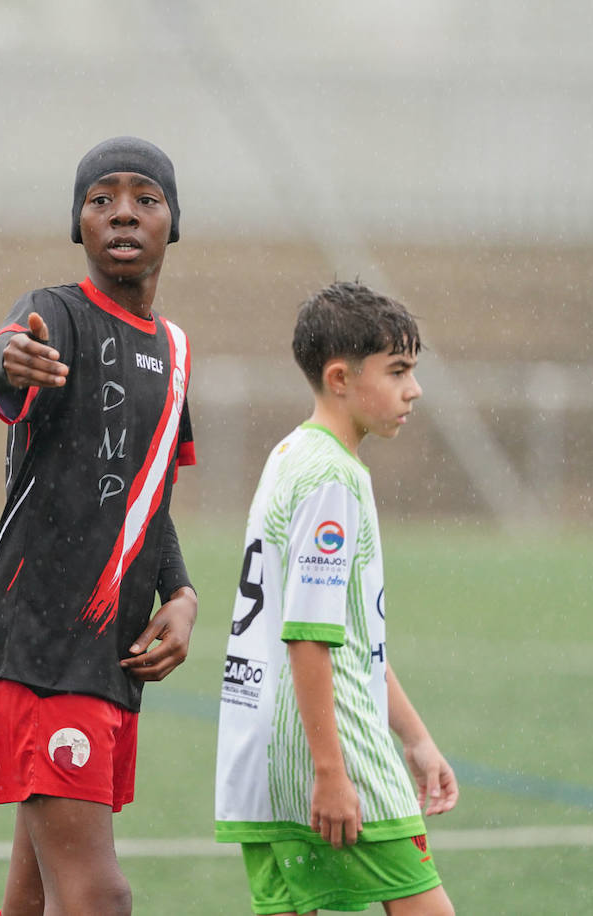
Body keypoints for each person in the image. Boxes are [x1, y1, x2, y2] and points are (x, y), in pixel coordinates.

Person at [0, 137, 198, 916]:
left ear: (173, 222)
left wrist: (181, 593)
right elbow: (5, 354)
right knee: (100, 896)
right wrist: (10, 360)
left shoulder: (175, 351)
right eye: (102, 200)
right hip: (41, 645)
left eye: (145, 198)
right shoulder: (57, 315)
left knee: (31, 902)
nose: (123, 213)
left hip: (109, 658)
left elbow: (149, 494)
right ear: (79, 224)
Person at [214, 281, 459, 915]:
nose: (414, 389)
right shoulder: (332, 479)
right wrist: (330, 771)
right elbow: (307, 636)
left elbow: (343, 634)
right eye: (398, 371)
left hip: (262, 750)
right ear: (340, 378)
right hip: (331, 748)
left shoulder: (290, 454)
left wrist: (415, 736)